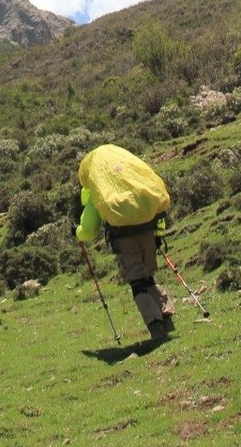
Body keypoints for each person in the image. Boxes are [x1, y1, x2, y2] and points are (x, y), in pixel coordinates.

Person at [75, 143, 175, 344]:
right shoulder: (131, 179)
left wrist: (78, 232)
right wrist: (157, 233)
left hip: (124, 238)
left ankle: (156, 328)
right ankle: (166, 317)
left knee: (138, 282)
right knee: (148, 277)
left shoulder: (99, 189)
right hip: (148, 232)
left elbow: (89, 229)